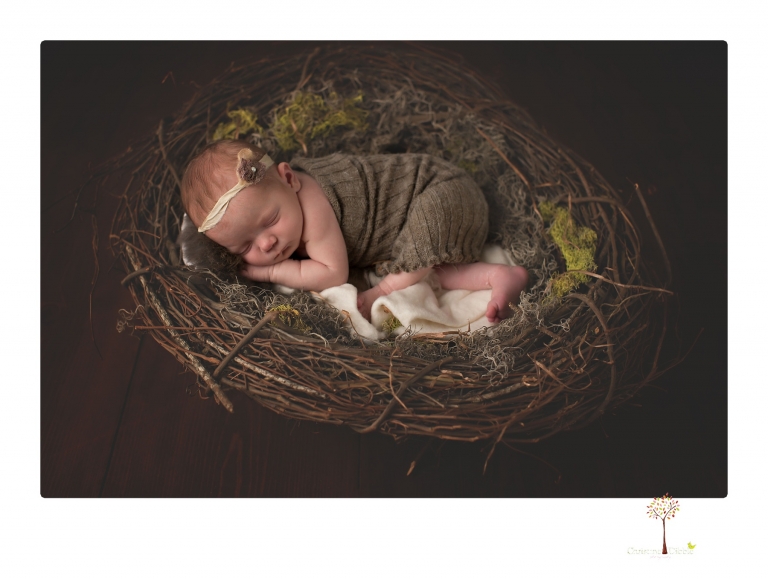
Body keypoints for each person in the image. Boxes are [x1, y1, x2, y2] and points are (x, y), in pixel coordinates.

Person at [181, 139, 528, 323]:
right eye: (245, 246)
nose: (267, 243)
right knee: (431, 265)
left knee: (415, 261)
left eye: (271, 221)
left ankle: (387, 288)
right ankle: (499, 276)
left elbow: (333, 273)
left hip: (441, 192)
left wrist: (272, 271)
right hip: (420, 222)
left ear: (289, 179)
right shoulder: (280, 205)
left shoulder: (314, 206)